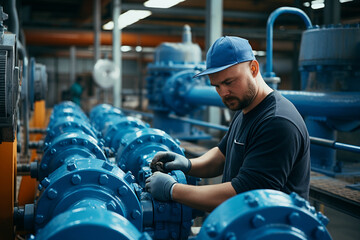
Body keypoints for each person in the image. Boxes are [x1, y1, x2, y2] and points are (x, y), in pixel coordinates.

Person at [145, 36, 310, 212]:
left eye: (228, 82)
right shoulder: (244, 108)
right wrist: (188, 165)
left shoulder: (277, 122)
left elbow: (246, 193)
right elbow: (222, 155)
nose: (223, 93)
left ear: (253, 68)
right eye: (216, 86)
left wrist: (173, 190)